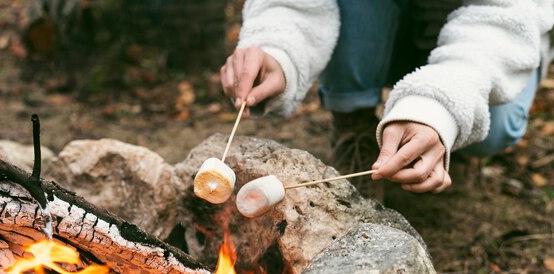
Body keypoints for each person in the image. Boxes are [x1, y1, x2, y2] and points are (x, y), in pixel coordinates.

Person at [220, 0, 554, 195]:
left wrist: (439, 109)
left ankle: (446, 148)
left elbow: (506, 17)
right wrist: (278, 50)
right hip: (383, 21)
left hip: (490, 35)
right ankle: (353, 123)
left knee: (492, 128)